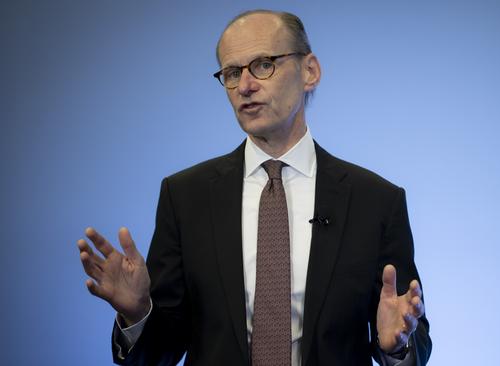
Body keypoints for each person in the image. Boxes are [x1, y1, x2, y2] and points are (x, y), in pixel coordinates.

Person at [77, 9, 432, 366]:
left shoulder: (376, 202)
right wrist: (138, 313)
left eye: (263, 64)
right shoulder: (185, 197)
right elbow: (161, 351)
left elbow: (412, 336)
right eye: (232, 73)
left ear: (310, 71)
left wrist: (396, 347)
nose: (245, 86)